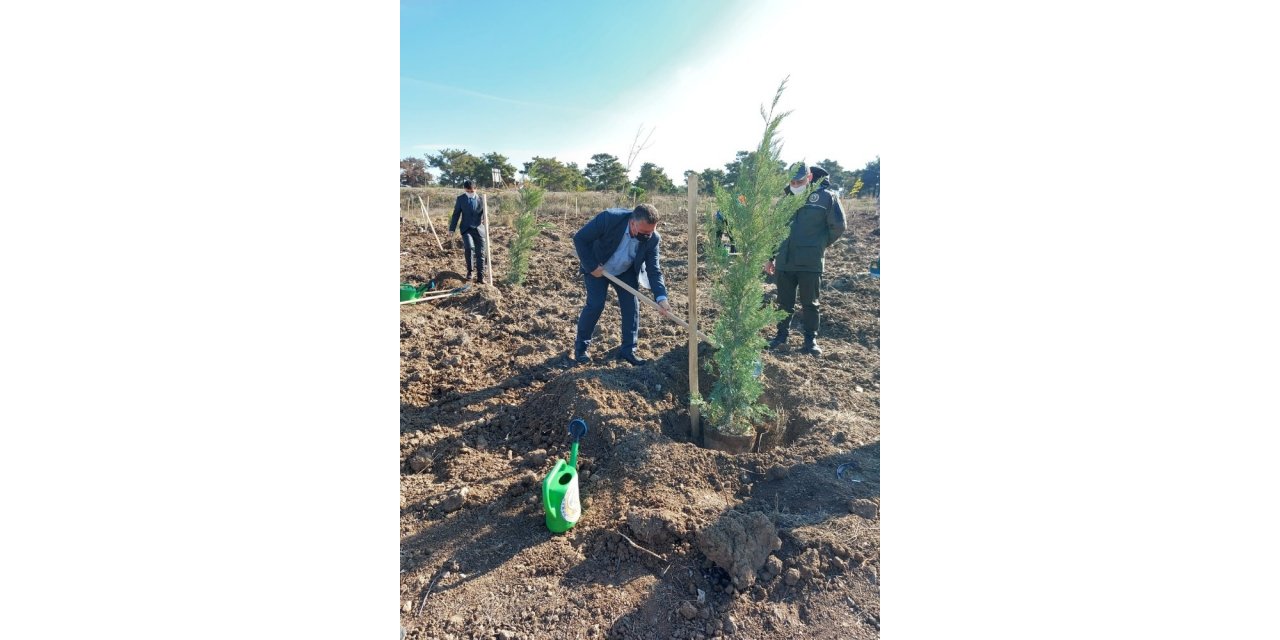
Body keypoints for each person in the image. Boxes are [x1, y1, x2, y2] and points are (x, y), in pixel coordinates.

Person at [571, 204, 672, 366]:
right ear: (633, 223)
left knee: (631, 307)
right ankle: (581, 349)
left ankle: (628, 350)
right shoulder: (609, 219)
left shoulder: (653, 238)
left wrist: (661, 297)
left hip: (626, 271)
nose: (648, 235)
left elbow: (654, 270)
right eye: (645, 232)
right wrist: (591, 266)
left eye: (651, 231)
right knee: (595, 305)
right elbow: (580, 239)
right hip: (599, 267)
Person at [765, 165, 846, 355]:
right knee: (784, 303)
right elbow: (775, 231)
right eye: (792, 182)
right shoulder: (785, 201)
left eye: (799, 181)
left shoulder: (826, 197)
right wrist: (770, 258)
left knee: (810, 303)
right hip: (785, 261)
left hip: (810, 261)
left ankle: (811, 340)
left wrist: (819, 244)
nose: (795, 185)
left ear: (809, 177)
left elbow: (839, 226)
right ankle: (781, 336)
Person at [448, 180, 486, 283]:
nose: (470, 193)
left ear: (475, 189)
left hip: (479, 229)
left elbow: (485, 215)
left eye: (472, 191)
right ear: (465, 190)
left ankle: (480, 277)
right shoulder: (461, 199)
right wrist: (452, 229)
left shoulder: (481, 199)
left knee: (481, 253)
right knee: (469, 248)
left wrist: (486, 221)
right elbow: (456, 214)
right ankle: (470, 271)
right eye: (468, 191)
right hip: (466, 228)